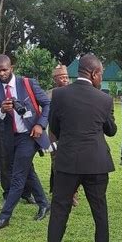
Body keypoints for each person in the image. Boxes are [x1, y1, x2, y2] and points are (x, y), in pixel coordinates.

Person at [26, 53, 117, 242]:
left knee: (59, 210)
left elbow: (55, 128)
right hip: (96, 162)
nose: (100, 78)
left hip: (67, 162)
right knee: (99, 210)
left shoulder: (59, 95)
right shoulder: (104, 99)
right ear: (94, 73)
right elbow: (111, 131)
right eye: (101, 74)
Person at [0, 55, 51, 229]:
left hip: (29, 136)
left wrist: (40, 124)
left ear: (12, 68)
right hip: (9, 138)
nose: (1, 73)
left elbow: (47, 104)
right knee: (28, 171)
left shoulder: (27, 83)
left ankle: (4, 216)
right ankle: (44, 204)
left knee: (17, 177)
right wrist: (2, 110)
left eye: (4, 69)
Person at [48, 64, 70, 195]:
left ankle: (72, 192)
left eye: (66, 77)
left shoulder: (74, 92)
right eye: (61, 77)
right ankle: (57, 188)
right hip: (54, 133)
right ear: (55, 79)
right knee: (55, 160)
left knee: (71, 160)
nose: (65, 80)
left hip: (70, 131)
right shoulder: (49, 94)